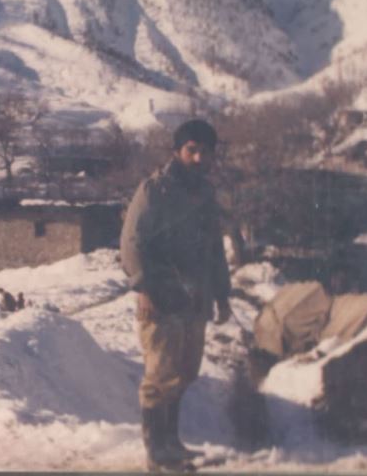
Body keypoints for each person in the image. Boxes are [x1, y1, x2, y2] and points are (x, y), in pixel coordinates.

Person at [120, 119, 233, 471]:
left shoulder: (206, 194)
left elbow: (214, 248)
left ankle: (171, 444)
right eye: (192, 150)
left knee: (184, 372)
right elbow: (131, 242)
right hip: (161, 296)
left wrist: (222, 294)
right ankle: (157, 455)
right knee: (160, 377)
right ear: (177, 151)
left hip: (195, 298)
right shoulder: (155, 190)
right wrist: (143, 288)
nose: (199, 158)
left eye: (205, 152)